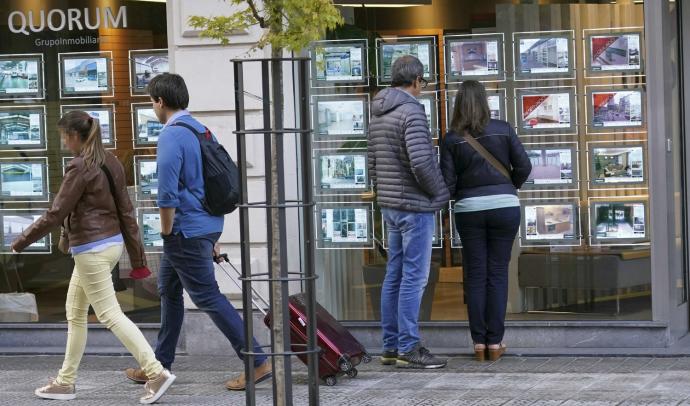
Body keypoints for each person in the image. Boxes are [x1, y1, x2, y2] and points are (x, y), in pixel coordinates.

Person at [11, 111, 175, 404]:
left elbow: (55, 213)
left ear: (75, 136)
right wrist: (136, 255)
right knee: (75, 312)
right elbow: (126, 210)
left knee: (110, 314)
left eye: (64, 135)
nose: (63, 141)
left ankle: (156, 372)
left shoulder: (80, 167)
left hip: (91, 249)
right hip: (108, 245)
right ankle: (65, 382)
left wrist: (19, 242)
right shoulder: (108, 160)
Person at [124, 73, 272, 390]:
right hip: (205, 225)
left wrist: (166, 234)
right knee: (169, 291)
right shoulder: (199, 129)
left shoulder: (171, 136)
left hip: (184, 231)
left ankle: (257, 361)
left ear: (160, 101)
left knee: (207, 296)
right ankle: (159, 365)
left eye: (152, 101)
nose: (152, 106)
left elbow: (167, 195)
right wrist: (210, 238)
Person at [440, 80, 532, 362]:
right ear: (484, 102)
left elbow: (448, 182)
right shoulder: (503, 129)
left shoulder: (451, 138)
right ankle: (496, 342)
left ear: (458, 104)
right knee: (498, 273)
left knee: (476, 274)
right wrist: (508, 187)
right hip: (505, 207)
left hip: (469, 210)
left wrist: (463, 195)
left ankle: (479, 343)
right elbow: (524, 166)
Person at [368, 55, 450, 369]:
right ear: (415, 80)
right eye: (423, 82)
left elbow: (373, 161)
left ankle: (391, 346)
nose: (422, 88)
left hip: (391, 205)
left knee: (395, 276)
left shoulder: (379, 111)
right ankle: (409, 347)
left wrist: (385, 195)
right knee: (414, 279)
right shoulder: (411, 111)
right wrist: (440, 195)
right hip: (414, 207)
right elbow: (421, 162)